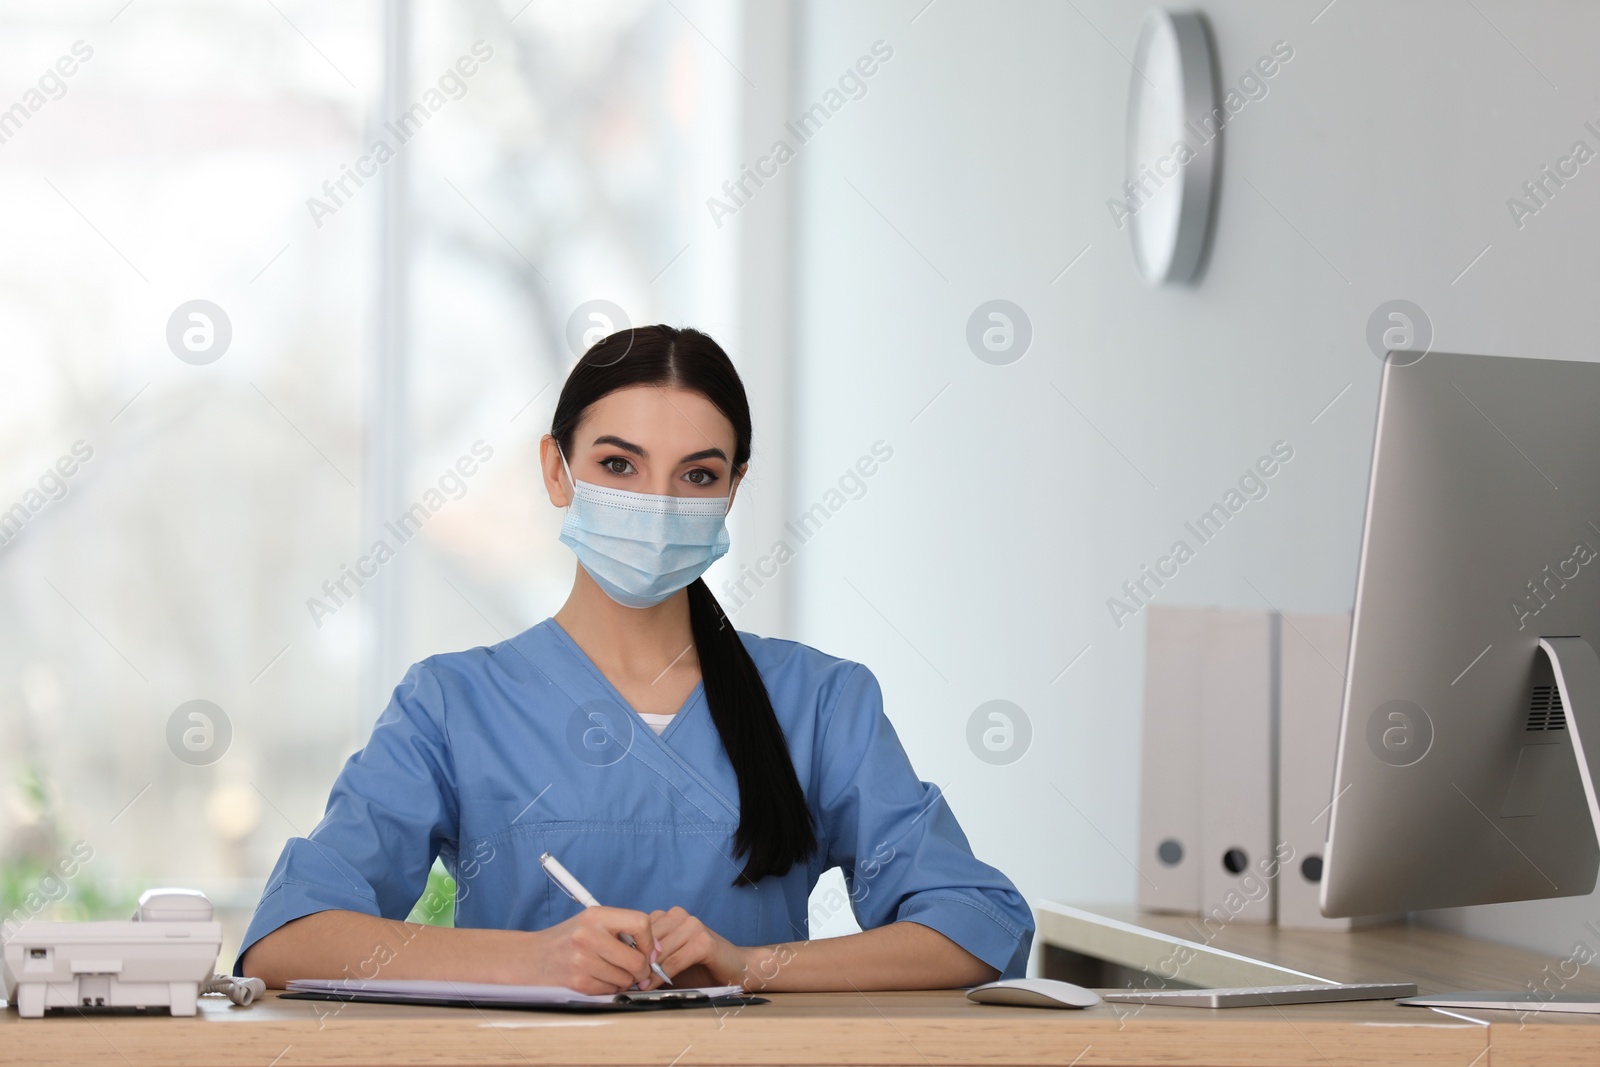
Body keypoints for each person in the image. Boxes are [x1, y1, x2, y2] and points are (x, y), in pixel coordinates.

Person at [238, 325, 1033, 994]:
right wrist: (539, 960)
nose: (657, 503)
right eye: (619, 465)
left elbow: (976, 927)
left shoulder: (820, 702)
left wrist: (752, 964)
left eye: (697, 474)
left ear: (732, 489)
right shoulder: (452, 704)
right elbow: (290, 938)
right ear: (557, 469)